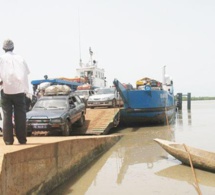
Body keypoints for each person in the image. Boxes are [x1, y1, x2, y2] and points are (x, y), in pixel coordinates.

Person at [0, 39, 30, 145]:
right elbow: (26, 73)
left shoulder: (1, 59)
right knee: (20, 116)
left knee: (7, 115)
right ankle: (22, 139)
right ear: (13, 47)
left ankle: (8, 141)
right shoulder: (20, 58)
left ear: (3, 48)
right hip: (19, 90)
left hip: (5, 90)